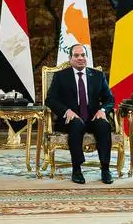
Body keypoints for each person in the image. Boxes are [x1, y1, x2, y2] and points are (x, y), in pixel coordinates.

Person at [45, 44, 116, 184]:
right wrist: (66, 111)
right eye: (76, 55)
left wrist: (102, 111)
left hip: (93, 117)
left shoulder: (98, 76)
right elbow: (50, 99)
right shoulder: (60, 76)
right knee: (76, 124)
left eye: (83, 55)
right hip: (70, 120)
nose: (80, 58)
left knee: (103, 125)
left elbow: (110, 99)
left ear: (87, 57)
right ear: (70, 58)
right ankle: (76, 169)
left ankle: (105, 169)